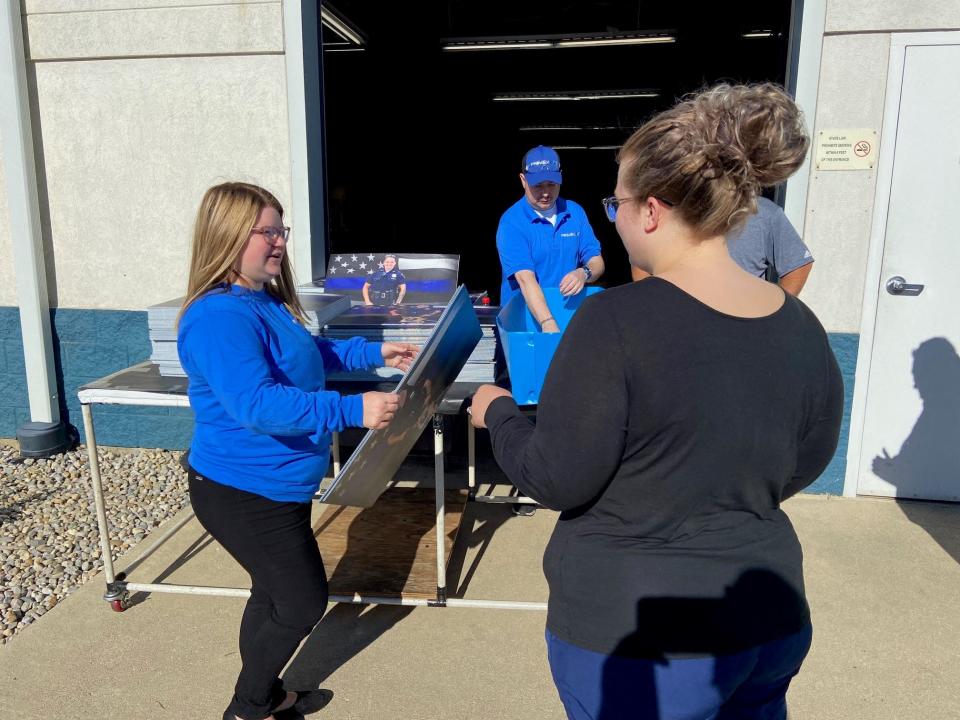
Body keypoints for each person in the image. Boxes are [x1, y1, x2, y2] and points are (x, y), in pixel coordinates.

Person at [471, 84, 843, 719]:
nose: (609, 216)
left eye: (614, 201)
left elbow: (557, 476)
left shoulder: (613, 323)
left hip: (646, 638)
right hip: (769, 616)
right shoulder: (798, 324)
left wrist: (498, 414)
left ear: (650, 211)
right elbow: (805, 460)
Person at [176, 182, 418, 720]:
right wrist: (353, 410)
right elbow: (257, 405)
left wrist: (374, 351)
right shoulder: (219, 317)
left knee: (273, 594)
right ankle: (247, 708)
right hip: (240, 490)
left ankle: (265, 692)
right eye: (267, 231)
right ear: (229, 236)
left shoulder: (261, 300)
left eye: (281, 230)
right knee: (303, 601)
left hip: (277, 484)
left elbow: (307, 354)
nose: (279, 241)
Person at [496, 145, 605, 332]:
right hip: (525, 321)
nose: (546, 193)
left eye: (551, 184)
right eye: (538, 185)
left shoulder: (574, 212)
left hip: (567, 314)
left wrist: (583, 273)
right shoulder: (512, 222)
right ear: (523, 180)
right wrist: (547, 322)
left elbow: (597, 261)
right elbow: (525, 279)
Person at [631, 196, 814, 296]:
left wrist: (777, 312)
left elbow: (798, 265)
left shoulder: (763, 212)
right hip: (684, 322)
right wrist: (655, 305)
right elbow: (640, 263)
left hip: (743, 322)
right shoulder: (672, 209)